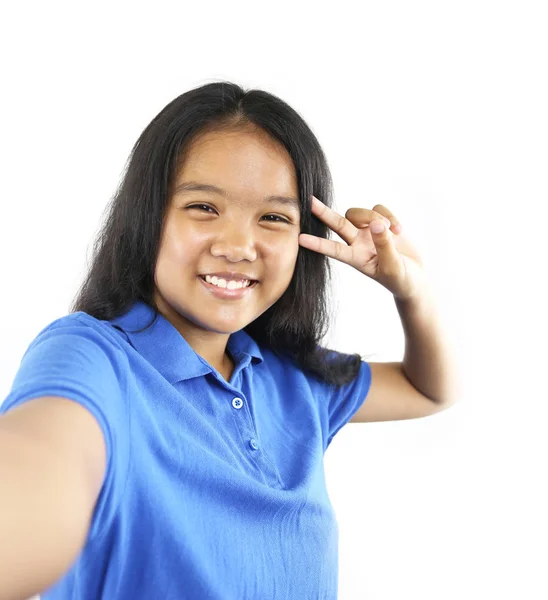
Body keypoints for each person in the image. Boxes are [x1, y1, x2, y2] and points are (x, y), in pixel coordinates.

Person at [0, 81, 459, 600]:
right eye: (203, 207)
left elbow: (430, 390)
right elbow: (37, 473)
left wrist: (413, 292)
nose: (239, 246)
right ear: (148, 217)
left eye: (273, 218)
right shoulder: (92, 357)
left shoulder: (292, 378)